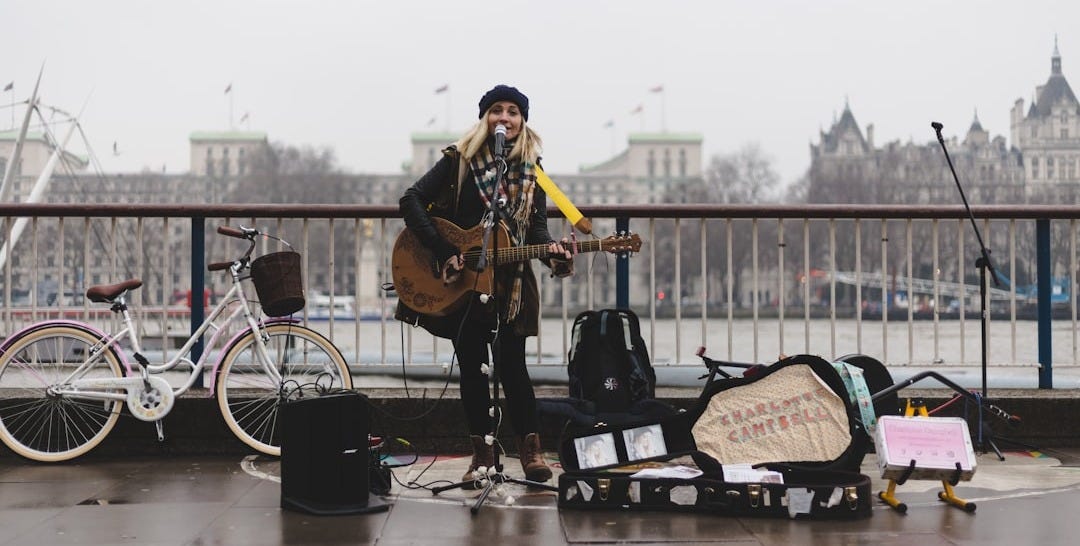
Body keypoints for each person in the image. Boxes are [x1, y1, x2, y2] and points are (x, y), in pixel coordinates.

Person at [396, 84, 574, 487]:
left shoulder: (533, 169)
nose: (505, 118)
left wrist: (554, 255)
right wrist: (445, 250)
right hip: (464, 284)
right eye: (497, 110)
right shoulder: (458, 161)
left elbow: (537, 230)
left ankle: (530, 452)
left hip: (511, 285)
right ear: (485, 119)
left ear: (522, 121)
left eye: (513, 111)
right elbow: (410, 201)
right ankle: (483, 455)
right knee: (473, 369)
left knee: (513, 367)